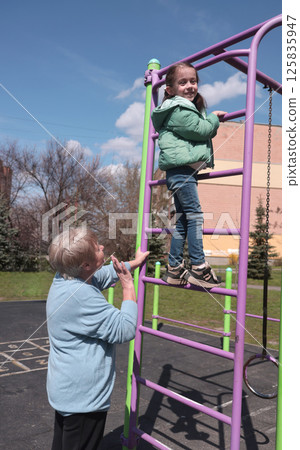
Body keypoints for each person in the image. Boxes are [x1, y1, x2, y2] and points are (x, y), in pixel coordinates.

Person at [46, 227, 149, 450]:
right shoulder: (81, 297)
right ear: (86, 265)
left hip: (67, 392)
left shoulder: (66, 278)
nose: (102, 247)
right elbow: (125, 329)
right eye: (97, 248)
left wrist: (133, 263)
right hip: (83, 399)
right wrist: (128, 285)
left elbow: (101, 276)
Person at [151, 62, 227, 288]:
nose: (190, 86)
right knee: (194, 217)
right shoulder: (178, 109)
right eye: (182, 82)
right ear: (170, 90)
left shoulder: (184, 107)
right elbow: (202, 130)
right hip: (182, 172)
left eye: (193, 81)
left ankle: (174, 269)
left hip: (183, 172)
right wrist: (213, 118)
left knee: (184, 221)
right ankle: (199, 268)